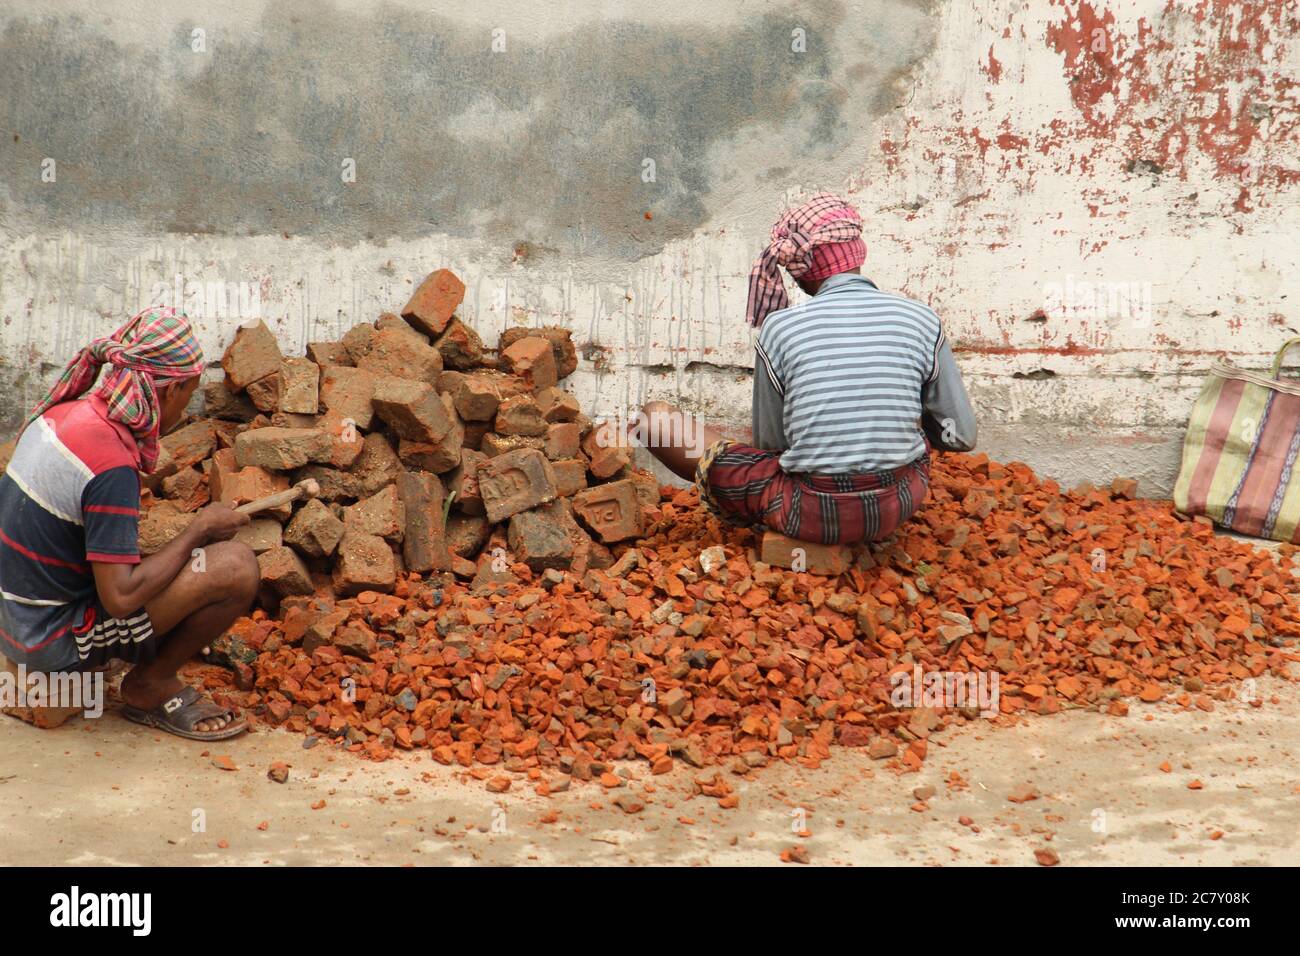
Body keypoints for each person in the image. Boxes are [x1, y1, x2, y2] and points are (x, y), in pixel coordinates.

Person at [637, 192, 977, 545]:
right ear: (858, 252)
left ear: (798, 273)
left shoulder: (780, 328)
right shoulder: (922, 319)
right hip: (897, 505)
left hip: (808, 512)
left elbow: (773, 448)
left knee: (655, 421)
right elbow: (961, 437)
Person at [0, 308, 257, 740]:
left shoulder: (66, 414)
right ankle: (149, 685)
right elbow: (120, 598)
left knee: (162, 558)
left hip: (17, 613)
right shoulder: (110, 463)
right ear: (172, 389)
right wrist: (200, 530)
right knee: (235, 566)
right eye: (189, 393)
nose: (185, 407)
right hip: (49, 639)